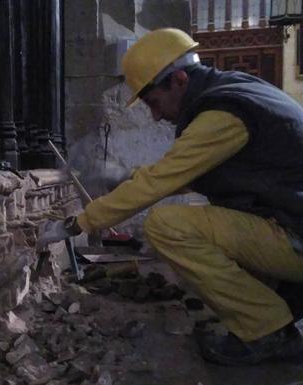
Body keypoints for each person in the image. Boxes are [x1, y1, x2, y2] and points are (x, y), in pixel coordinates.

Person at [36, 28, 303, 366]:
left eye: (154, 103)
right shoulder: (238, 92)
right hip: (291, 224)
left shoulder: (224, 114)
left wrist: (76, 224)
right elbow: (188, 174)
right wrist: (127, 180)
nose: (157, 116)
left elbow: (163, 180)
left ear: (178, 80)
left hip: (295, 233)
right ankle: (272, 310)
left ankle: (269, 332)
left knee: (166, 225)